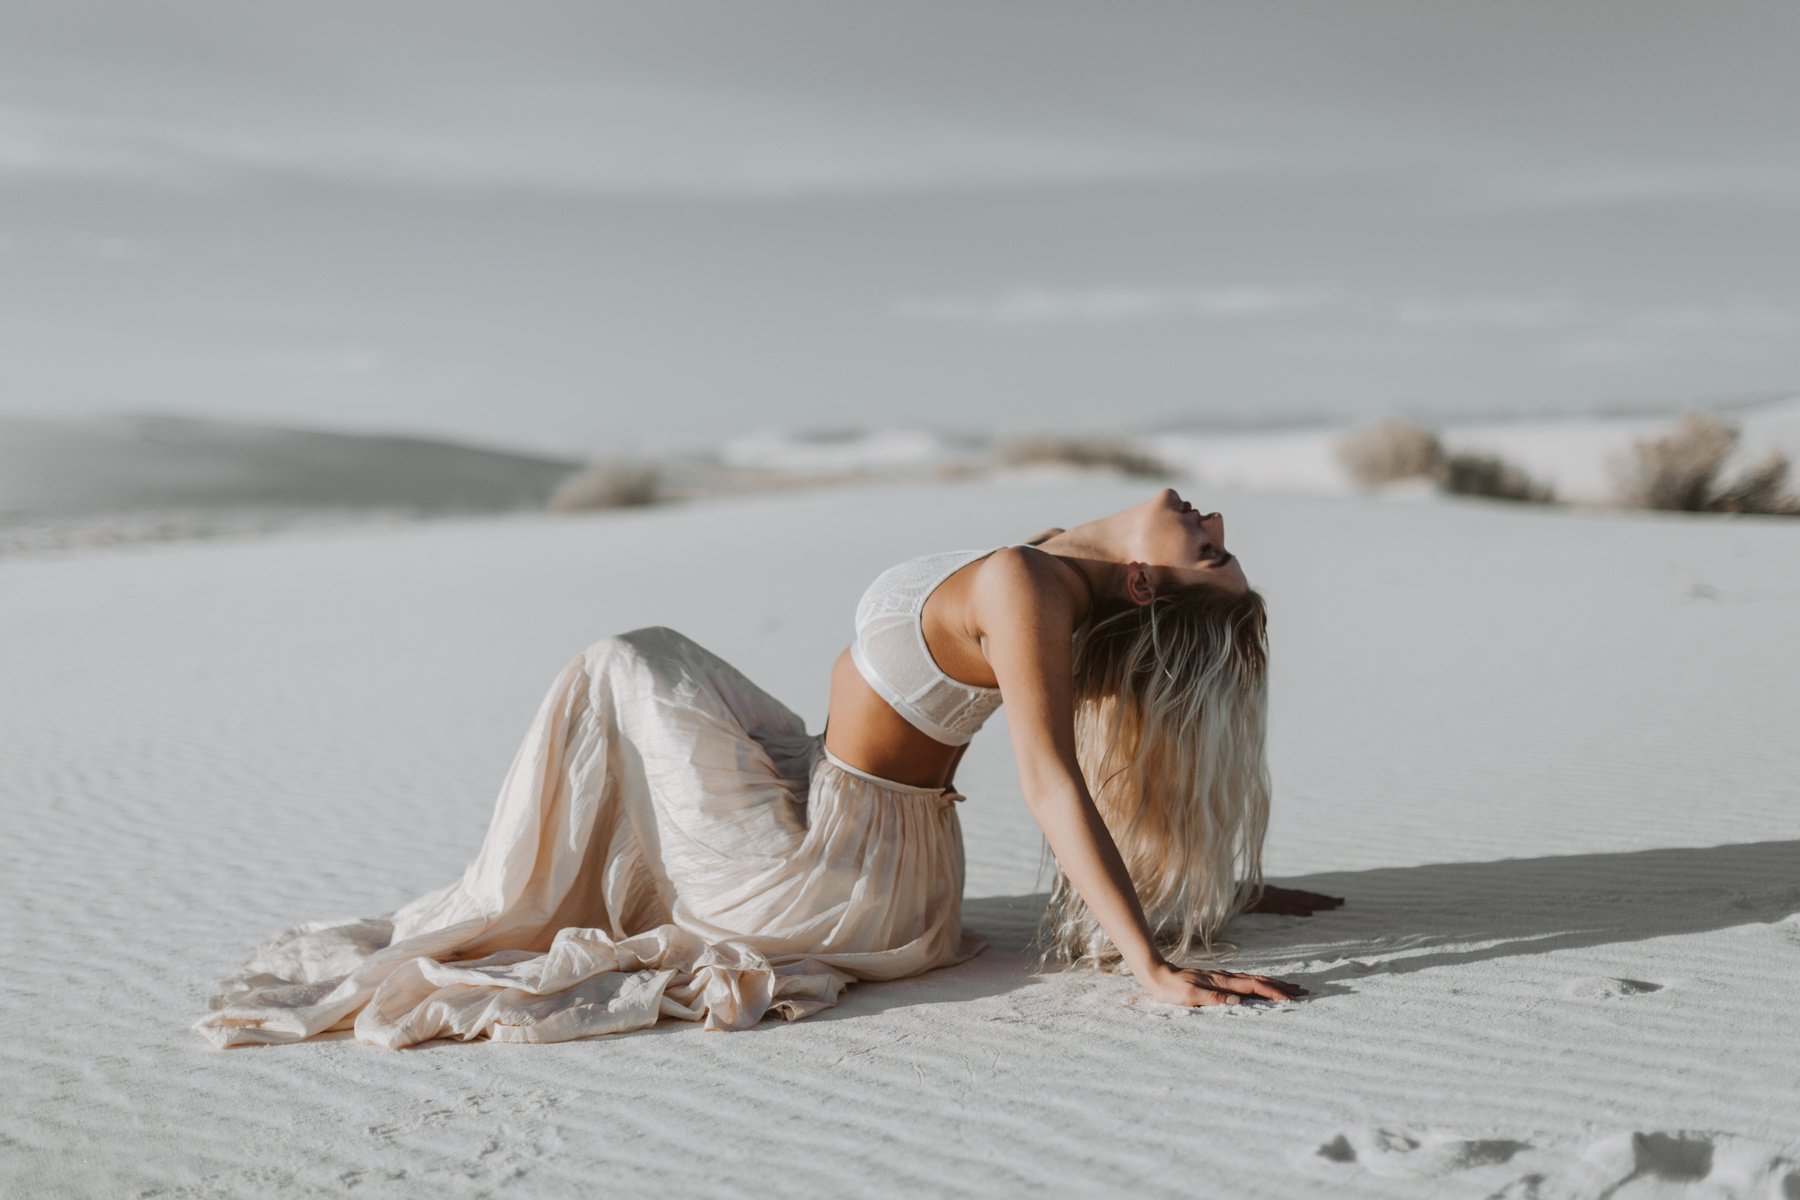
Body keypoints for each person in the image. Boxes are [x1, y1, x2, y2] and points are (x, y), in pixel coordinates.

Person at [195, 487, 1339, 1049]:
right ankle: (544, 882)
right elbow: (1098, 762)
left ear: (1144, 584)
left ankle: (501, 901)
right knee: (665, 665)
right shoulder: (1047, 568)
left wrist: (1149, 964)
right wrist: (1211, 886)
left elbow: (1053, 778)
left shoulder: (1029, 589)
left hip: (833, 876)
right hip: (857, 824)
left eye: (1213, 552)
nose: (1214, 516)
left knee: (626, 659)